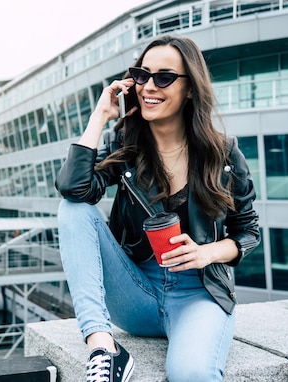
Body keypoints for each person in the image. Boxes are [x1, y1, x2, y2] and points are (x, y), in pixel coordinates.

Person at [55, 35, 260, 382]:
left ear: (190, 88)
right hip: (135, 294)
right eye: (141, 74)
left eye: (164, 77)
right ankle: (104, 349)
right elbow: (75, 189)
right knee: (73, 209)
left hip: (198, 295)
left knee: (192, 373)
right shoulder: (125, 145)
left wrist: (206, 253)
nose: (149, 86)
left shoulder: (223, 155)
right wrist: (99, 117)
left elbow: (248, 231)